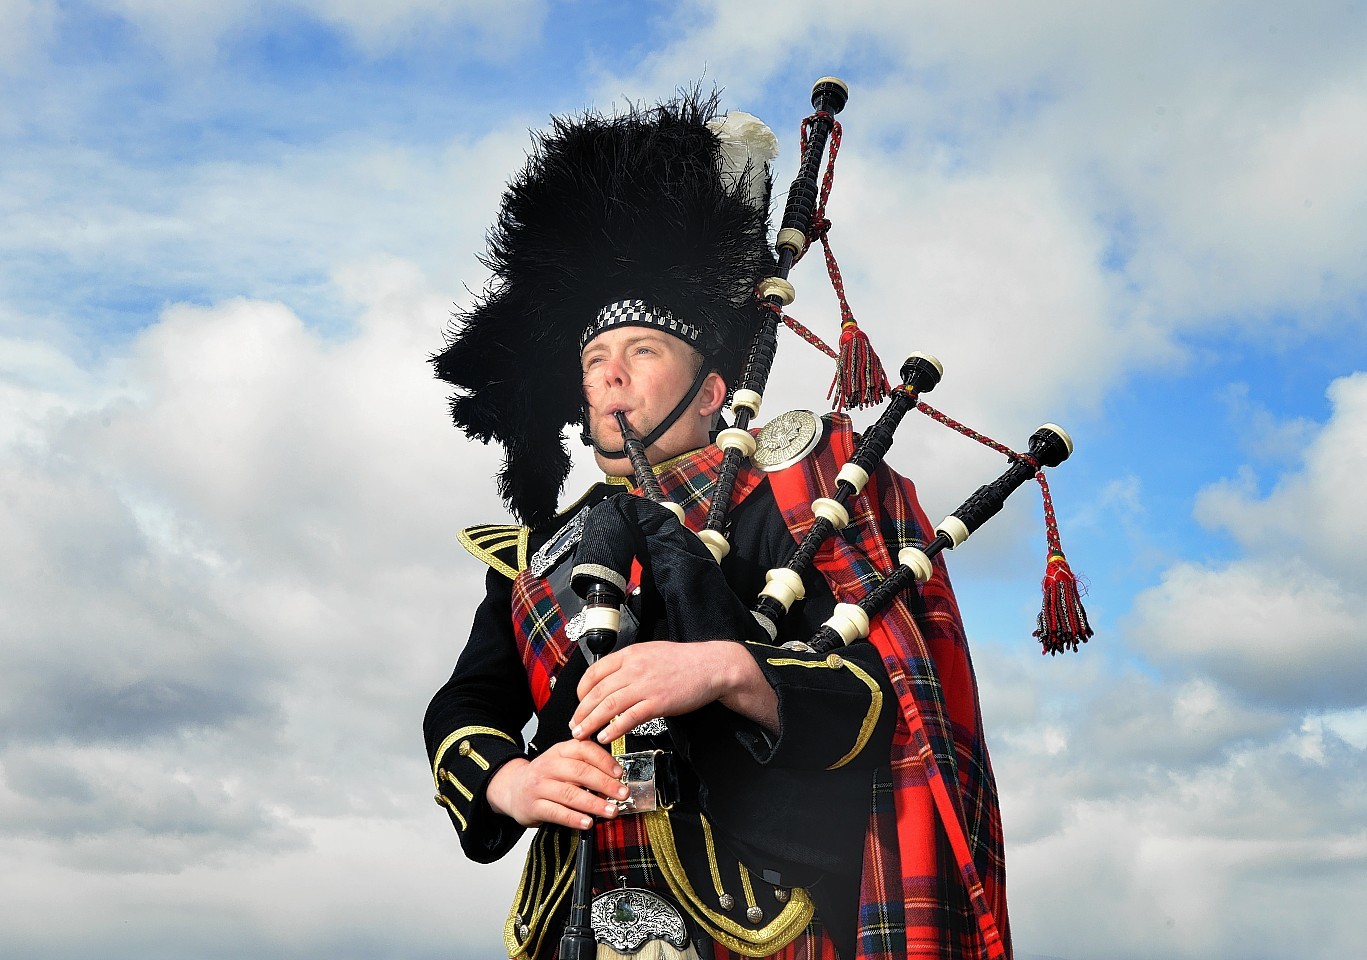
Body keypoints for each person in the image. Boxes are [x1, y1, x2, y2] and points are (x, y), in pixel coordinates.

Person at [424, 92, 1010, 960]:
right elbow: (466, 708)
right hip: (573, 921)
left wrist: (731, 668)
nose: (612, 375)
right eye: (594, 360)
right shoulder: (522, 562)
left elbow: (873, 699)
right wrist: (514, 781)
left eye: (642, 352)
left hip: (758, 924)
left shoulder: (788, 502)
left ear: (710, 392)